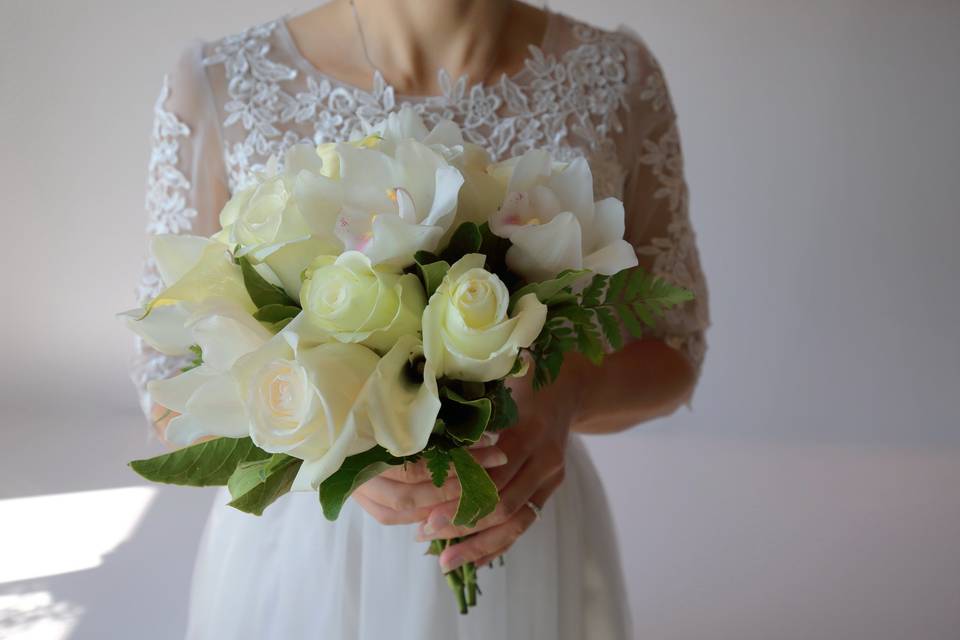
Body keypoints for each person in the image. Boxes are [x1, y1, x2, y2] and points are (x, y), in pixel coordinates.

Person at [132, 1, 710, 637]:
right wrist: (327, 446)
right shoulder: (221, 82)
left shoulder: (616, 76)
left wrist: (566, 389)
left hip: (519, 525)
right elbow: (170, 383)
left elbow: (673, 347)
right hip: (309, 560)